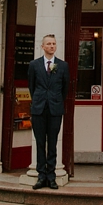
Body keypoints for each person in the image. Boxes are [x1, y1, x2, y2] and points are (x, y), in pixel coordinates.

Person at [27, 34, 70, 190]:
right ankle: (41, 176)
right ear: (42, 46)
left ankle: (51, 177)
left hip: (55, 109)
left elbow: (65, 88)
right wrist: (39, 100)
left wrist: (56, 100)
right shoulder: (34, 65)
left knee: (52, 143)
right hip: (38, 109)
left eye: (54, 44)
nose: (52, 46)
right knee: (40, 143)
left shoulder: (63, 65)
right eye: (49, 44)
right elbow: (31, 86)